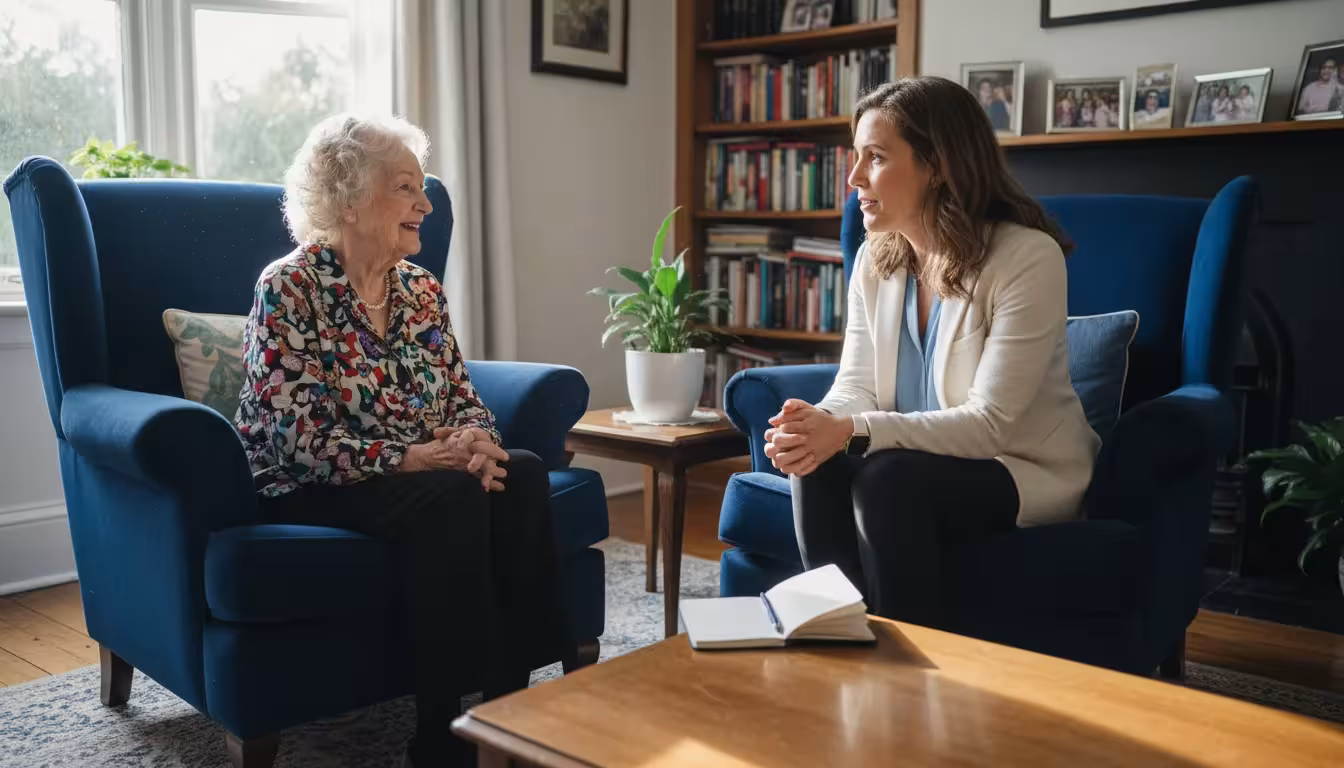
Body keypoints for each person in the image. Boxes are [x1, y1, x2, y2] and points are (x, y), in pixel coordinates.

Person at [233, 114, 572, 767]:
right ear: (351, 199)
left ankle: (512, 711)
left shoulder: (419, 291)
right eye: (406, 189)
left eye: (423, 189)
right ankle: (441, 736)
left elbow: (459, 392)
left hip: (415, 472)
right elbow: (290, 430)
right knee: (448, 494)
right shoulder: (289, 288)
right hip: (310, 483)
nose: (426, 204)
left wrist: (476, 437)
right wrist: (406, 457)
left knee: (522, 471)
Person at [765, 77, 1100, 630]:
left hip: (1016, 468)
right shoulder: (878, 261)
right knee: (816, 462)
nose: (853, 179)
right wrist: (820, 422)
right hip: (913, 461)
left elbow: (989, 424)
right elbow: (858, 385)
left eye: (874, 157)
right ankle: (837, 636)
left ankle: (910, 671)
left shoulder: (1026, 258)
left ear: (936, 165)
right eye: (856, 158)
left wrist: (850, 431)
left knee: (885, 478)